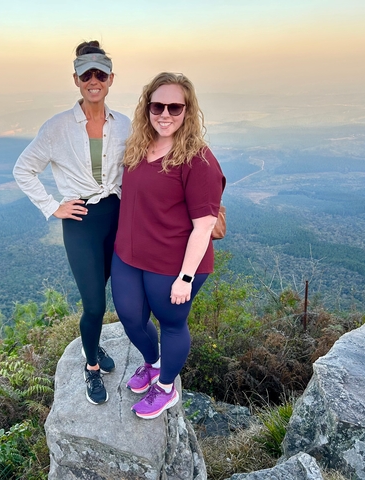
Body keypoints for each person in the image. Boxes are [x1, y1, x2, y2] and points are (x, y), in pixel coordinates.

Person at [13, 41, 131, 405]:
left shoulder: (124, 124)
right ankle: (92, 366)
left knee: (107, 293)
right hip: (81, 221)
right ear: (77, 80)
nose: (93, 81)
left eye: (100, 74)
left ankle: (90, 345)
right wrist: (53, 206)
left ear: (110, 78)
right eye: (86, 75)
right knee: (94, 304)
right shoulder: (58, 127)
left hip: (118, 217)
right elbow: (23, 169)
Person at [111, 72, 226, 419]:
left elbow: (204, 224)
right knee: (131, 317)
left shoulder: (198, 160)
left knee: (171, 322)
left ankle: (166, 387)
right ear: (147, 108)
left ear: (187, 111)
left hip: (175, 262)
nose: (165, 114)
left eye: (174, 107)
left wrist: (186, 278)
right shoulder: (138, 146)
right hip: (130, 253)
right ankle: (153, 363)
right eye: (157, 106)